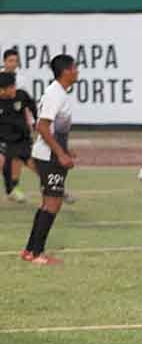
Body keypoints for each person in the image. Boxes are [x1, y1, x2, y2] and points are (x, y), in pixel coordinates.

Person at [21, 54, 79, 265]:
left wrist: (65, 149)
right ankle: (37, 253)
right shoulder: (56, 94)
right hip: (49, 157)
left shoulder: (59, 93)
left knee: (49, 202)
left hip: (50, 154)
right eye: (74, 68)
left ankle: (30, 250)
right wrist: (61, 154)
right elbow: (42, 126)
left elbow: (54, 129)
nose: (77, 71)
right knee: (53, 202)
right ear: (66, 71)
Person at [0, 72, 35, 203]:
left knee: (36, 165)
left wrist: (36, 123)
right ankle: (11, 191)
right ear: (2, 90)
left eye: (14, 86)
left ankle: (53, 187)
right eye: (11, 87)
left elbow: (33, 108)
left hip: (23, 139)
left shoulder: (21, 95)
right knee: (3, 160)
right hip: (5, 141)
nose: (14, 89)